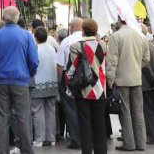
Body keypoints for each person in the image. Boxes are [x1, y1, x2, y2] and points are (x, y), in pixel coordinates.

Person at [0, 6, 39, 154]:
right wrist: (29, 73)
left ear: (3, 17)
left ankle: (2, 151)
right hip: (21, 80)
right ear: (18, 17)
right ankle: (27, 149)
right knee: (23, 117)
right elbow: (34, 60)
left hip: (1, 81)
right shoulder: (26, 35)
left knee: (2, 117)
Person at [107, 17, 149, 151]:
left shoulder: (116, 36)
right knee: (138, 111)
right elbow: (146, 59)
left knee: (125, 111)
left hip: (121, 79)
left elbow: (112, 60)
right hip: (136, 78)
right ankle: (141, 143)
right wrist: (136, 67)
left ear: (120, 21)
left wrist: (110, 78)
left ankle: (129, 144)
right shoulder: (141, 36)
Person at [67, 18, 107, 154]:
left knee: (85, 125)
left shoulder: (76, 46)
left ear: (83, 31)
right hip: (100, 89)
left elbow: (71, 70)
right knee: (100, 125)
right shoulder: (103, 45)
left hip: (83, 89)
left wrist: (70, 87)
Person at [54, 17, 83, 149]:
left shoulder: (66, 41)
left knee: (71, 108)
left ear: (71, 27)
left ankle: (76, 138)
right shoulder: (89, 39)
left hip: (69, 77)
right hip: (87, 78)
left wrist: (60, 80)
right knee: (85, 107)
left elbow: (60, 65)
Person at [31, 27, 59, 147]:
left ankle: (40, 138)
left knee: (37, 112)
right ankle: (51, 137)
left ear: (36, 37)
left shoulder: (35, 49)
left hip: (38, 84)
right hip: (52, 83)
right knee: (51, 111)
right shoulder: (52, 49)